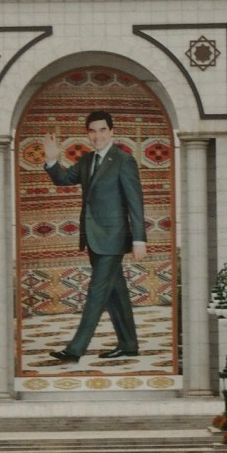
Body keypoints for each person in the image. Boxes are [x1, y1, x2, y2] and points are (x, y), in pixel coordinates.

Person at [43, 109, 147, 362]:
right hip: (93, 237)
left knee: (97, 292)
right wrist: (52, 161)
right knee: (115, 292)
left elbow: (135, 202)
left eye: (102, 130)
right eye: (92, 131)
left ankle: (75, 350)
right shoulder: (87, 160)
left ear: (112, 132)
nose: (97, 135)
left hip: (113, 238)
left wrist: (139, 239)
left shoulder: (123, 160)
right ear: (87, 134)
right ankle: (129, 344)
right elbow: (64, 179)